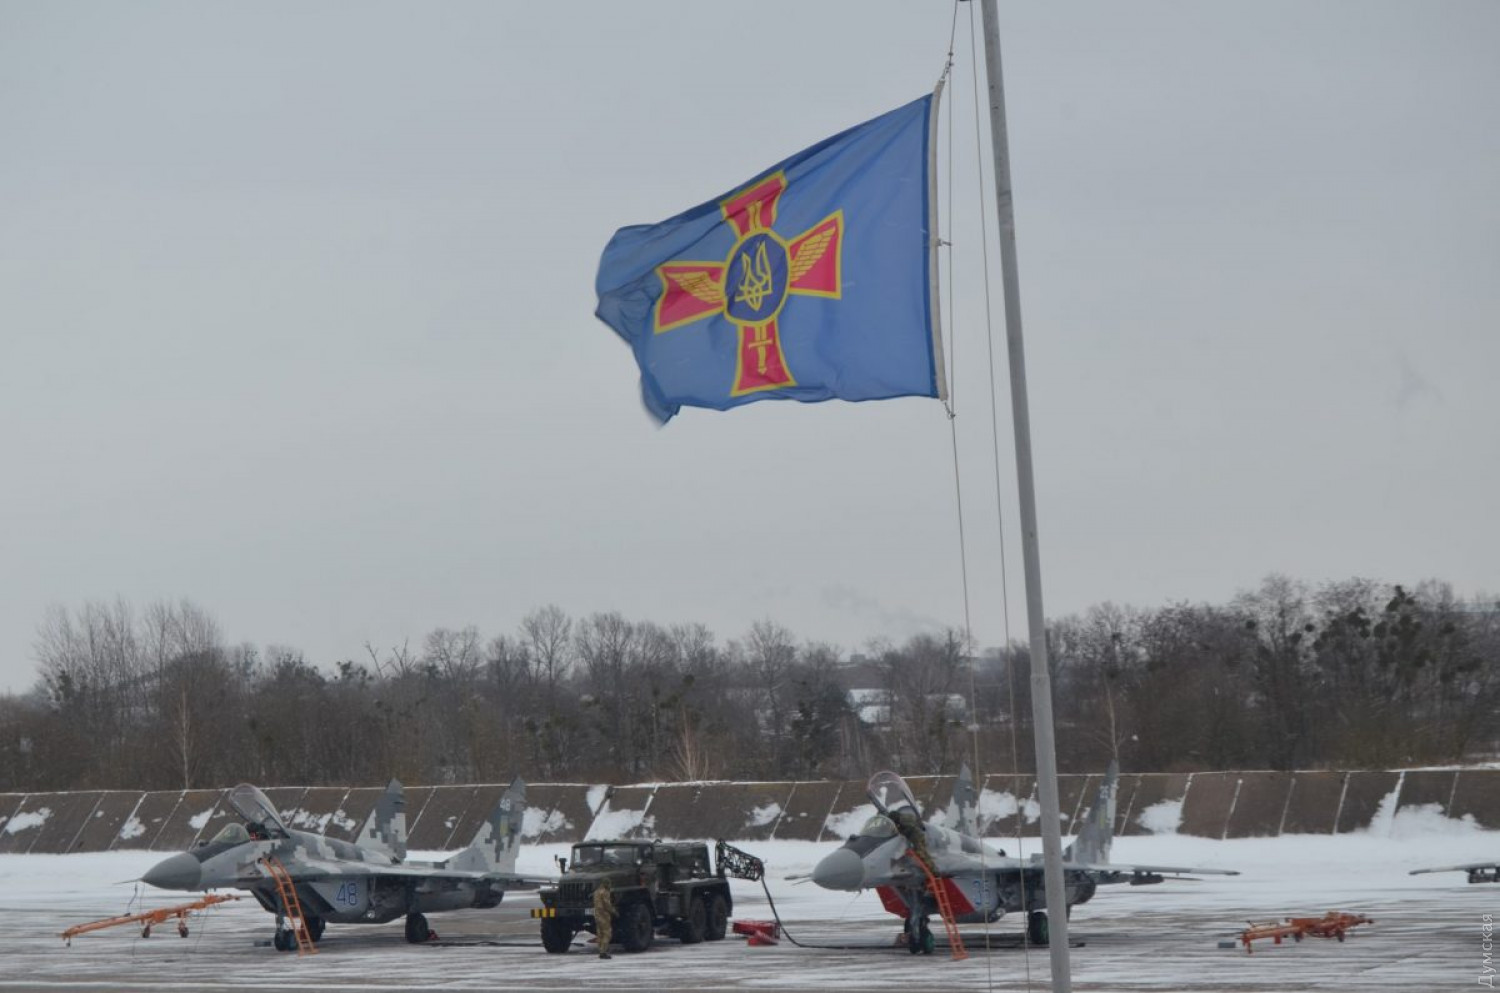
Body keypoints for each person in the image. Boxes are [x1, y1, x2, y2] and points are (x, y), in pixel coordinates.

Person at [592, 878, 614, 959]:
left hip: (597, 914)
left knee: (600, 934)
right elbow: (607, 904)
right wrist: (614, 911)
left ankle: (601, 950)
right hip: (604, 915)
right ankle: (603, 951)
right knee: (607, 933)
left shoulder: (596, 892)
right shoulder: (605, 892)